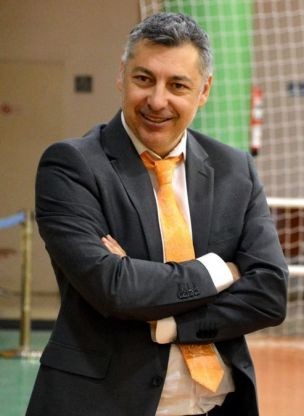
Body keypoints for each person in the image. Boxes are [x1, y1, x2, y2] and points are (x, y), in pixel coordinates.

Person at [26, 12, 288, 416]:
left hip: (216, 405)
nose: (157, 100)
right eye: (144, 79)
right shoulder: (72, 165)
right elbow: (112, 287)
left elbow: (269, 293)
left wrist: (169, 324)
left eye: (178, 85)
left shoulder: (235, 169)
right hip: (103, 404)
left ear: (204, 91)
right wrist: (220, 272)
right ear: (121, 75)